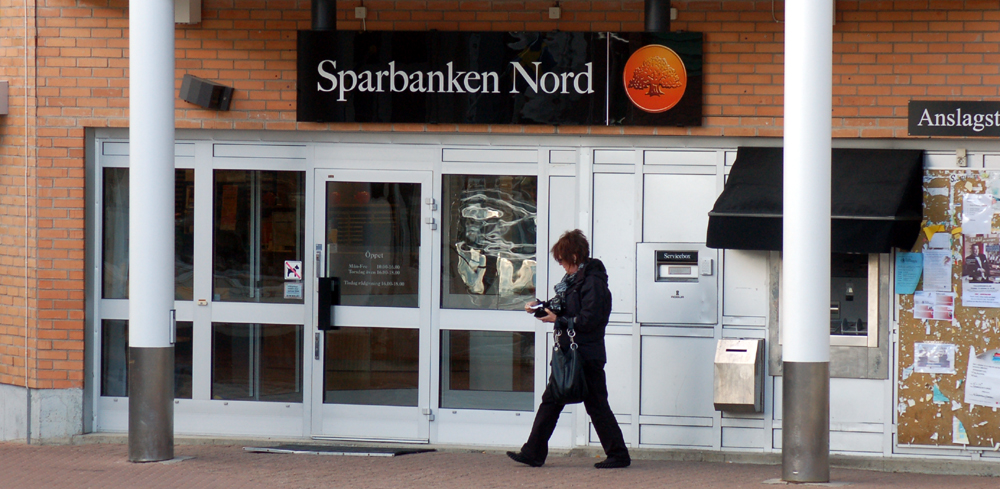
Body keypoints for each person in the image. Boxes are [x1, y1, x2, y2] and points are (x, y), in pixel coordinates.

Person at [507, 229, 631, 469]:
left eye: (562, 259)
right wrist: (540, 307)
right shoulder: (574, 282)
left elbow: (590, 320)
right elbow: (564, 307)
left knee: (592, 404)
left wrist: (558, 320)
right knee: (558, 401)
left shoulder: (593, 282)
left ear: (574, 256)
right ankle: (534, 452)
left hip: (585, 355)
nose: (561, 264)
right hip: (573, 354)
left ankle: (617, 455)